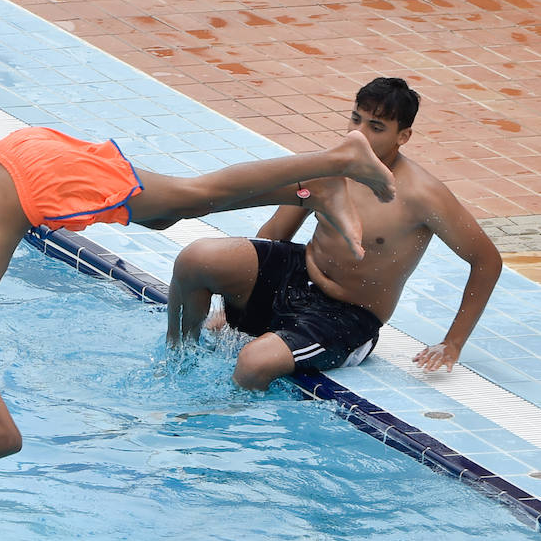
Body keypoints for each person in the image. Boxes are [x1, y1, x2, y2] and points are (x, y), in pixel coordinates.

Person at [0, 125, 398, 475]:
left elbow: (5, 438)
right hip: (7, 158)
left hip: (37, 184)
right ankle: (311, 183)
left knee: (196, 196)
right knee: (168, 213)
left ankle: (334, 163)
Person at [166, 77, 502, 390]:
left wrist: (453, 341)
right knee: (196, 259)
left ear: (403, 136)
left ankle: (216, 420)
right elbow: (274, 235)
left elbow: (486, 261)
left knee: (253, 362)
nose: (360, 133)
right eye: (356, 119)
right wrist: (241, 301)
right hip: (298, 277)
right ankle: (176, 367)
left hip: (347, 315)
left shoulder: (422, 195)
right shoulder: (333, 166)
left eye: (376, 127)